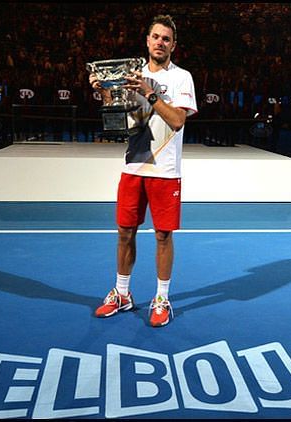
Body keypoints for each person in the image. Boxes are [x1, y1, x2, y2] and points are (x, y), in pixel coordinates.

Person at [89, 14, 197, 327]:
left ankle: (162, 298)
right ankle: (122, 293)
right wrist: (104, 91)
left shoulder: (181, 78)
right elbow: (118, 118)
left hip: (165, 169)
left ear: (173, 45)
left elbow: (177, 121)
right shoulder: (129, 75)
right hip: (134, 164)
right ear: (147, 41)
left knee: (163, 235)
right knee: (125, 231)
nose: (160, 42)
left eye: (166, 38)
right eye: (155, 37)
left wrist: (150, 92)